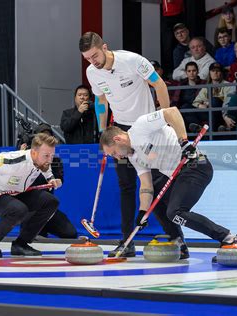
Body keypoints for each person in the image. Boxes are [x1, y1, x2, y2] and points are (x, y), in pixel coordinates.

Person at [79, 31, 184, 257]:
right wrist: (103, 131)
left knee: (155, 187)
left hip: (148, 127)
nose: (92, 62)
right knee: (126, 186)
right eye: (87, 58)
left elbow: (160, 86)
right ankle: (127, 242)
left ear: (105, 47)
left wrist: (163, 120)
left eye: (95, 55)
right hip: (121, 132)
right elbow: (100, 100)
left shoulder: (133, 60)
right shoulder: (92, 72)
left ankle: (178, 240)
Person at [100, 107, 237, 261]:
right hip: (178, 175)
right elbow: (146, 185)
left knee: (175, 212)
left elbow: (172, 112)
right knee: (156, 199)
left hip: (194, 165)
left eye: (114, 153)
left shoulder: (140, 126)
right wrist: (143, 212)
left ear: (117, 139)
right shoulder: (133, 157)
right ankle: (178, 243)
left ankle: (229, 238)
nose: (116, 157)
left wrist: (183, 142)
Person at [0, 133, 62, 258]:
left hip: (17, 192)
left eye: (52, 155)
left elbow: (46, 166)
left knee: (51, 202)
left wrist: (50, 178)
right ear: (34, 153)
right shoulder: (11, 160)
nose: (50, 160)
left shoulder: (42, 160)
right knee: (19, 209)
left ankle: (21, 244)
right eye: (46, 155)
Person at [18, 123, 77, 239]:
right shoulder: (26, 157)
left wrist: (55, 180)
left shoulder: (55, 160)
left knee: (70, 233)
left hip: (47, 206)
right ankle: (34, 228)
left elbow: (58, 179)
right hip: (30, 206)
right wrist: (21, 155)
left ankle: (43, 226)